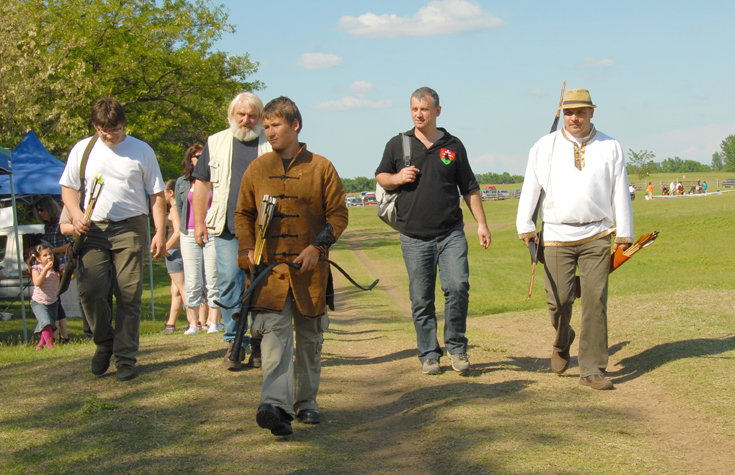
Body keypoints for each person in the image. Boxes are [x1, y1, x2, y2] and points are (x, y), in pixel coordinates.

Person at [234, 96, 348, 436]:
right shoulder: (257, 169)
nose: (269, 132)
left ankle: (306, 401)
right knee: (274, 339)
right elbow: (243, 214)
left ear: (295, 125)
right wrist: (246, 249)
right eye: (266, 126)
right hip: (269, 274)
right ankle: (275, 406)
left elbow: (338, 215)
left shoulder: (321, 167)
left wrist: (317, 247)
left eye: (276, 125)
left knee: (310, 340)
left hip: (310, 273)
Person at [516, 88, 634, 390]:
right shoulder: (544, 146)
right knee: (559, 301)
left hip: (598, 234)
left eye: (581, 112)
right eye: (569, 112)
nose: (574, 118)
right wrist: (526, 225)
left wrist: (624, 233)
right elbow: (531, 187)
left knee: (595, 300)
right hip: (556, 235)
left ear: (591, 112)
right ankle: (562, 338)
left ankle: (592, 369)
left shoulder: (610, 146)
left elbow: (620, 189)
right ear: (562, 114)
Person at [375, 87, 491, 376]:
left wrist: (482, 224)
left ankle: (457, 348)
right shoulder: (398, 144)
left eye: (424, 109)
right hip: (413, 237)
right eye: (414, 109)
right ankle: (429, 354)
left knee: (458, 286)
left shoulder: (453, 145)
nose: (419, 114)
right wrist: (397, 177)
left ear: (437, 111)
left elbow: (470, 188)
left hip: (451, 233)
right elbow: (381, 176)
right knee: (421, 299)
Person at [60, 97, 166, 382]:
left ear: (123, 124)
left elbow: (156, 195)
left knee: (129, 295)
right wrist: (76, 214)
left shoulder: (142, 150)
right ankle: (104, 343)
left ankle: (126, 357)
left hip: (130, 228)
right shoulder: (83, 149)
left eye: (115, 130)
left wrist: (160, 231)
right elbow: (68, 189)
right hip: (92, 229)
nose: (110, 135)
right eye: (103, 130)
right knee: (90, 291)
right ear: (95, 126)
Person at [191, 92, 272, 370]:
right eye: (241, 114)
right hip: (226, 228)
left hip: (263, 229)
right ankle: (234, 342)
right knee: (228, 283)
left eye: (252, 115)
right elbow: (202, 185)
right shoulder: (215, 142)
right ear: (232, 115)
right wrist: (198, 222)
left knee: (261, 285)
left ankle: (259, 342)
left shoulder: (270, 142)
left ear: (260, 117)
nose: (246, 120)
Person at [176, 144, 221, 335]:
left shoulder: (216, 180)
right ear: (190, 159)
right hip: (188, 233)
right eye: (196, 156)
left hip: (211, 231)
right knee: (192, 279)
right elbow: (179, 209)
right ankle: (193, 324)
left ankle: (214, 322)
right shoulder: (182, 182)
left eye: (203, 156)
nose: (199, 159)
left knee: (213, 277)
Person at [34, 196, 72, 342]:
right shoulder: (48, 226)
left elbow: (70, 245)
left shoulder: (60, 224)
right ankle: (62, 336)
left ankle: (57, 336)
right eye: (38, 211)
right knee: (56, 300)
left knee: (54, 300)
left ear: (50, 208)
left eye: (42, 210)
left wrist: (51, 252)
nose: (40, 213)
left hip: (60, 266)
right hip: (50, 268)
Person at [161, 179, 187, 334]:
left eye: (163, 192)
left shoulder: (175, 208)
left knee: (183, 288)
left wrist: (164, 248)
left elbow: (177, 232)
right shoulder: (178, 207)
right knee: (175, 290)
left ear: (170, 193)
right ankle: (171, 324)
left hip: (175, 251)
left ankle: (195, 322)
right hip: (179, 250)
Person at [28, 244, 62, 350]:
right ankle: (51, 346)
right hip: (38, 302)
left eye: (50, 254)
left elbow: (70, 276)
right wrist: (45, 270)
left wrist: (67, 272)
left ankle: (40, 345)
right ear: (38, 259)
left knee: (49, 324)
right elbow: (37, 282)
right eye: (45, 255)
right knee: (46, 323)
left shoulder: (58, 268)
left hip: (52, 302)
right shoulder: (36, 269)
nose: (49, 257)